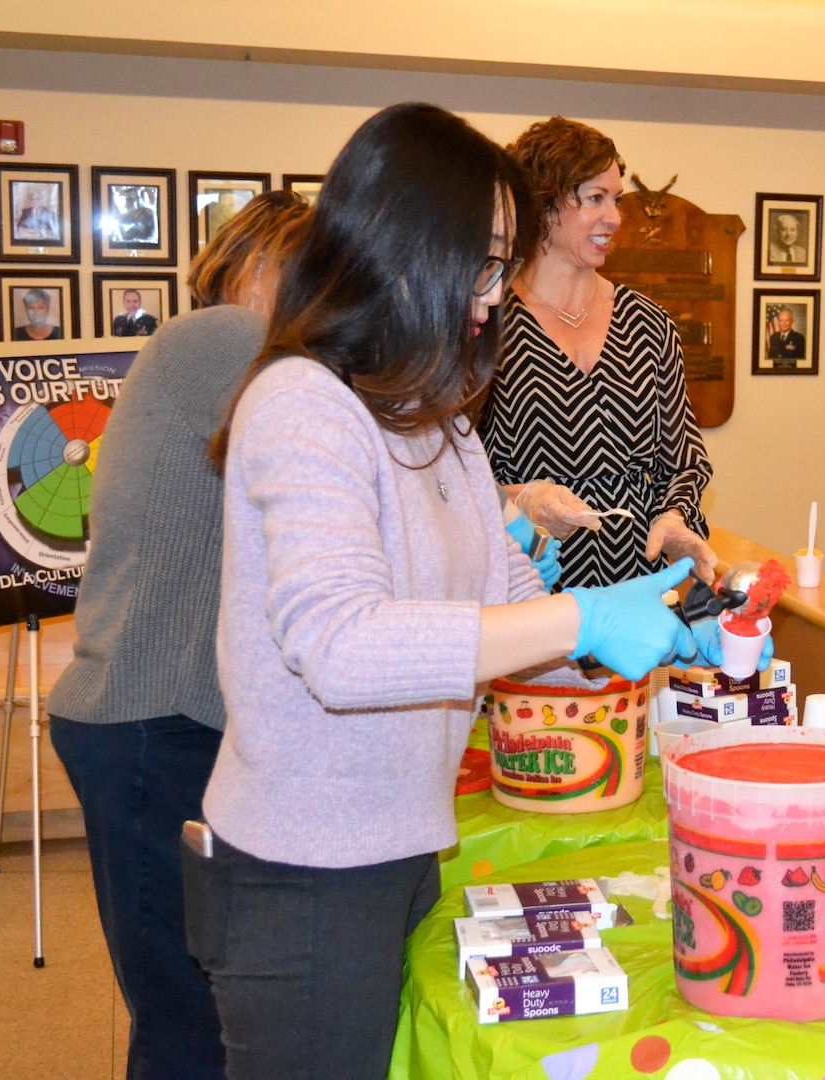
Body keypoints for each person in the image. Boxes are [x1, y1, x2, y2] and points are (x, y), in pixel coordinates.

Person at [188, 103, 742, 1080]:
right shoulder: (303, 402)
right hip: (302, 869)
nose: (494, 292)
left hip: (399, 844)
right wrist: (584, 616)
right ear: (403, 249)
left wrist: (634, 635)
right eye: (484, 263)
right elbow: (340, 645)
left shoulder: (430, 421)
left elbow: (506, 586)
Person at [47, 190, 313, 1080]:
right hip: (148, 723)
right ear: (263, 265)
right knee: (183, 1020)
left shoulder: (230, 357)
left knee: (191, 1005)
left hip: (160, 722)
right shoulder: (224, 341)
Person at [479, 115, 717, 587]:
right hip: (529, 583)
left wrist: (673, 518)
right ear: (544, 205)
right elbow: (449, 478)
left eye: (617, 199)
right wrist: (523, 500)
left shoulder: (647, 322)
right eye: (595, 198)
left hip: (638, 583)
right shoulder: (486, 320)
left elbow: (684, 459)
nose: (615, 217)